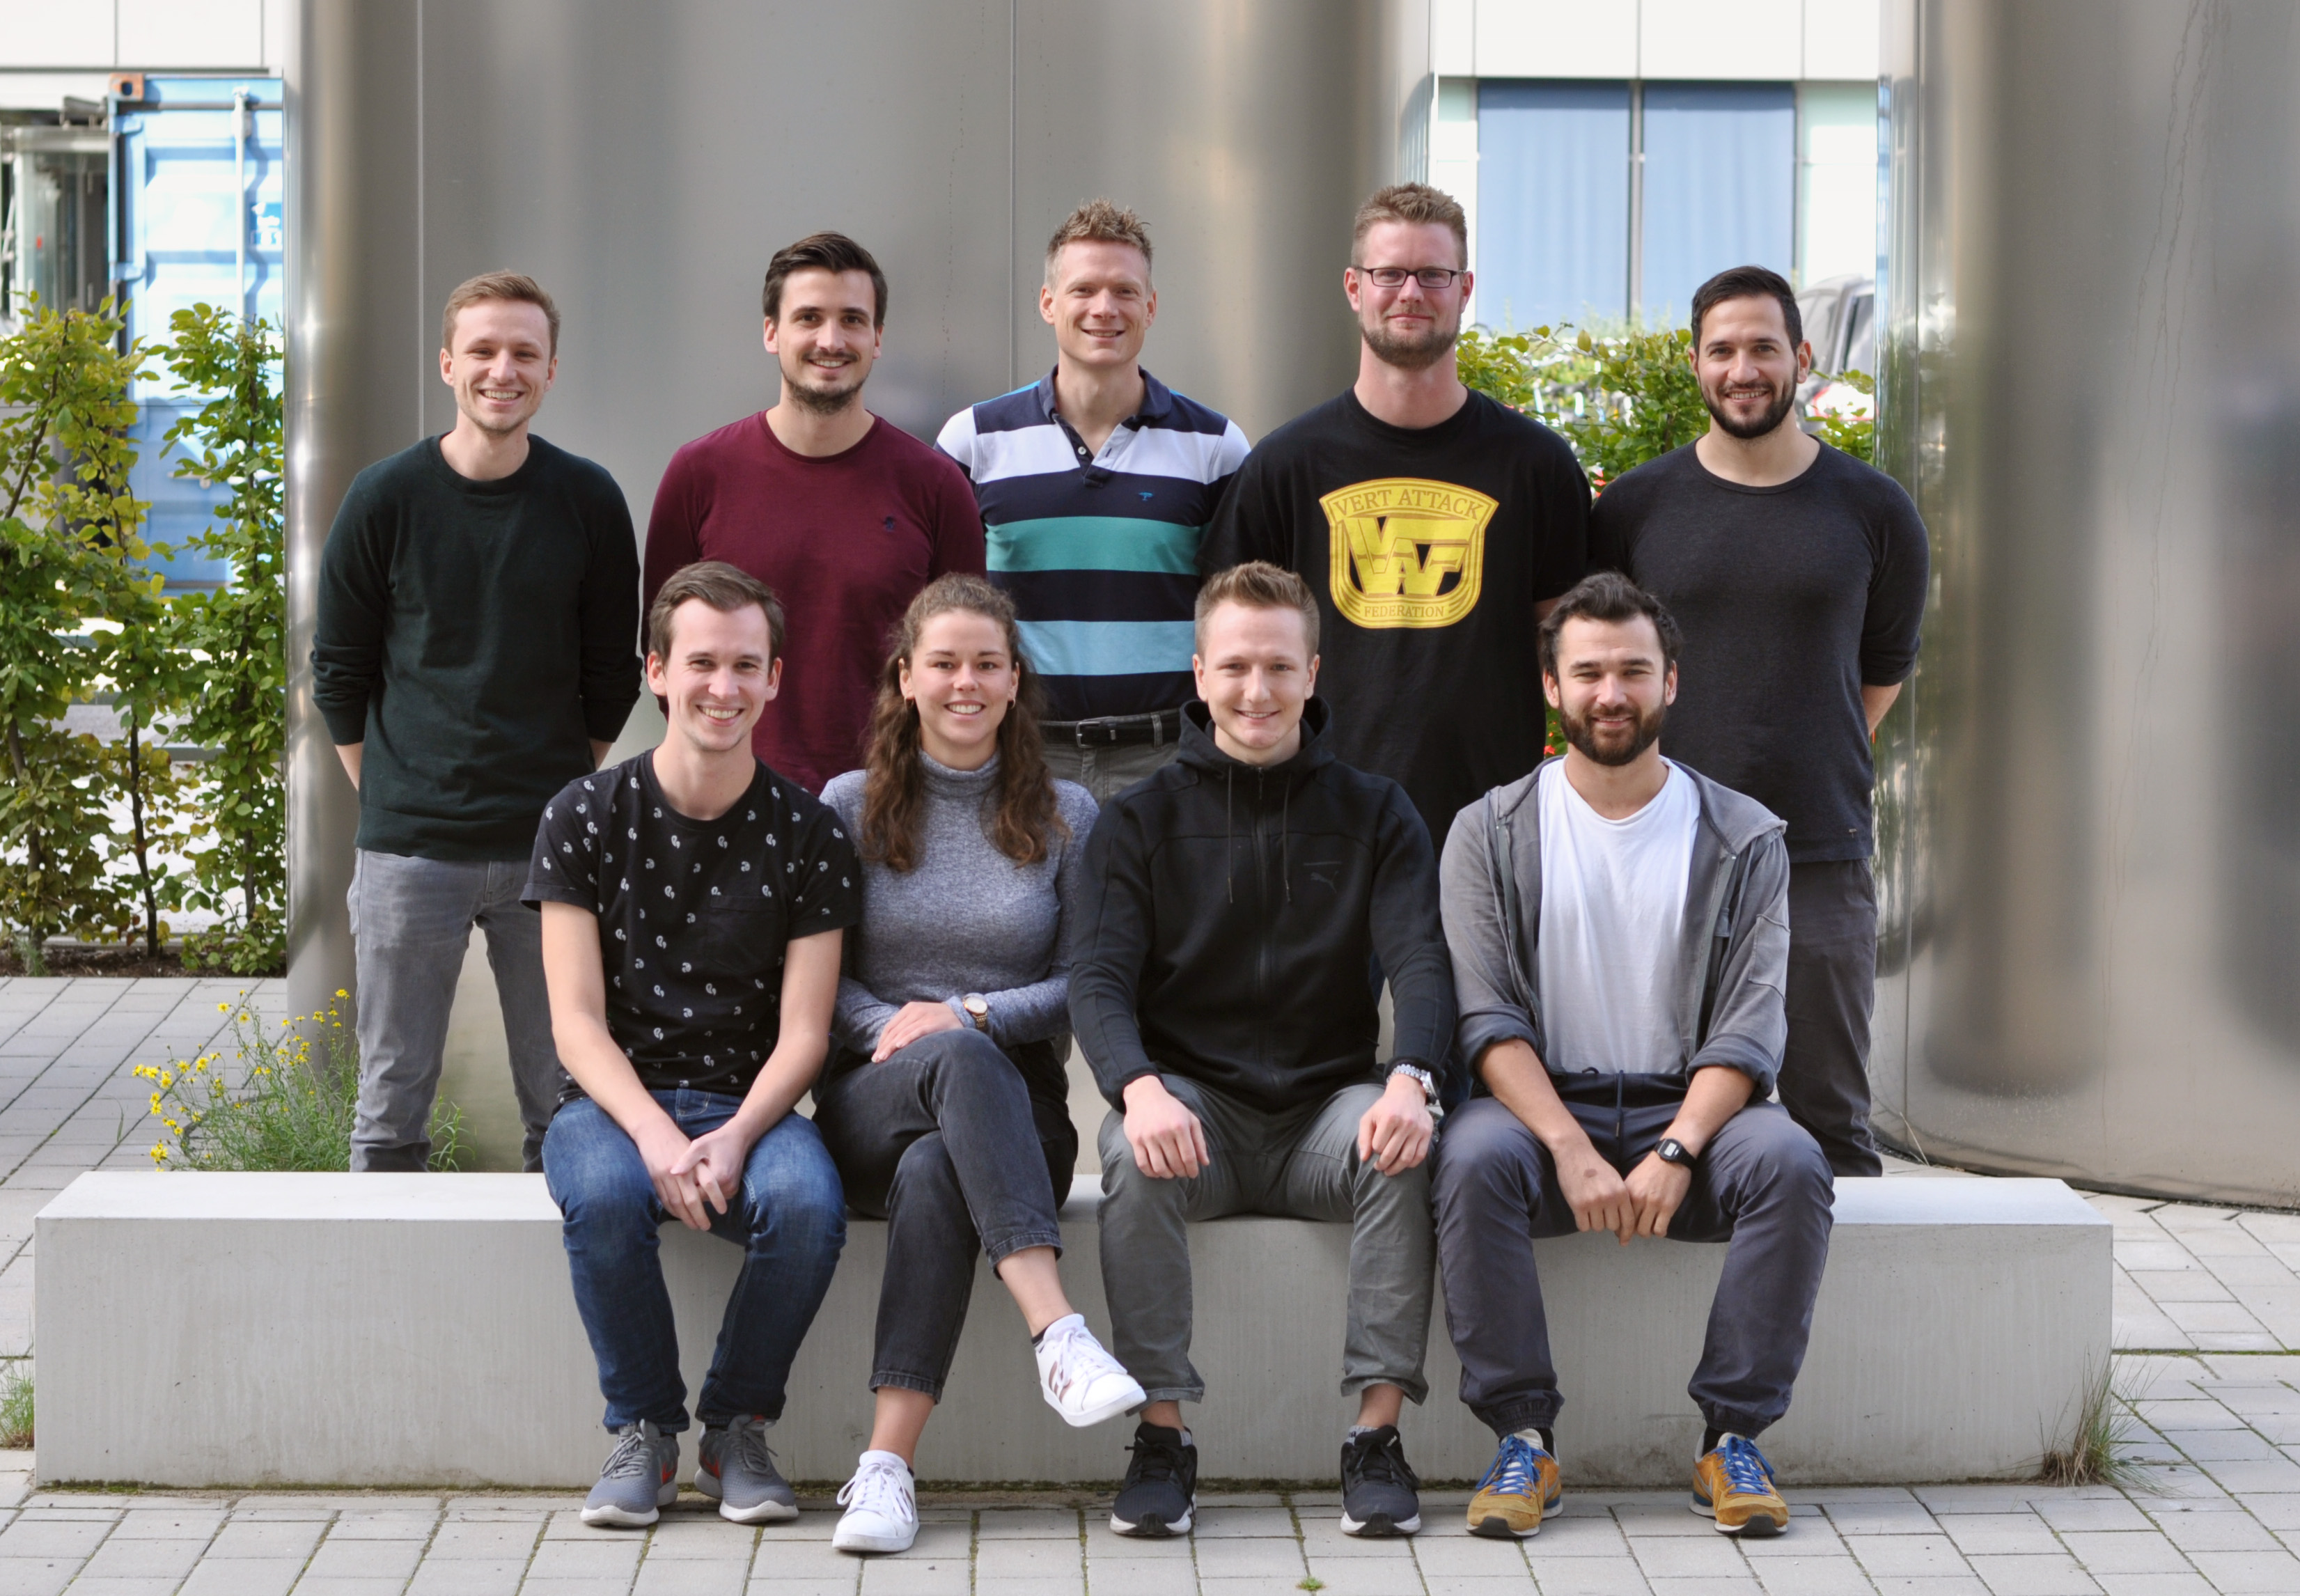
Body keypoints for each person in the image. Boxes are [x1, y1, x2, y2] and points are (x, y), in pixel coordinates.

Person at [1431, 572, 1833, 1541]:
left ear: (1670, 683)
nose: (1610, 693)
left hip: (1691, 1109)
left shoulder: (1743, 836)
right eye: (1587, 673)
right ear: (1551, 687)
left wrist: (1678, 1149)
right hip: (1540, 1112)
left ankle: (1730, 1439)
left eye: (1632, 671)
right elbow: (1487, 1021)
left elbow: (1749, 1025)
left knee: (1789, 1162)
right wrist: (1569, 1147)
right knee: (1470, 1158)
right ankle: (1522, 1440)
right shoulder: (1487, 832)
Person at [1070, 561, 1455, 1540]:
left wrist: (1411, 1080)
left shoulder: (1376, 811)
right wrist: (1137, 1088)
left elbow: (1421, 962)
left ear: (1312, 673)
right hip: (1193, 1113)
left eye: (1279, 667)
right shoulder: (1136, 821)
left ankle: (1375, 1439)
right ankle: (1161, 1439)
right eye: (1235, 666)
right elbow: (1098, 981)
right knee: (1127, 1155)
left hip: (1325, 1113)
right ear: (1198, 672)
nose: (1256, 690)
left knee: (1401, 1145)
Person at [815, 574, 1143, 1554]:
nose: (966, 682)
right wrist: (905, 1029)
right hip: (870, 1093)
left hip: (1019, 1118)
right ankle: (1058, 1333)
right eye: (945, 663)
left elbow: (1084, 981)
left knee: (937, 1168)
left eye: (987, 664)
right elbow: (821, 981)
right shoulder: (847, 806)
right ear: (906, 677)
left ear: (1013, 681)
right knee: (943, 1075)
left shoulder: (1067, 812)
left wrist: (966, 1013)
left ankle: (885, 1469)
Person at [526, 561, 856, 1528]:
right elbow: (575, 1023)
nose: (724, 686)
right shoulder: (582, 815)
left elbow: (806, 1032)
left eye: (746, 665)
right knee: (602, 1195)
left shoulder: (810, 832)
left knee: (808, 1206)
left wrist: (738, 1134)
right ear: (657, 672)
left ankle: (735, 1431)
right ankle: (643, 1432)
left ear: (775, 679)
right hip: (610, 1104)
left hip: (749, 1104)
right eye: (702, 662)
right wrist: (656, 1137)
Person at [1587, 264, 1929, 1177]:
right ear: (1695, 363)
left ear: (1801, 358)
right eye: (1722, 350)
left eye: (1763, 348)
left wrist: (1801, 750)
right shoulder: (1633, 509)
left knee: (1831, 1124)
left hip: (1816, 849)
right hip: (1663, 848)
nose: (1742, 370)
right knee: (1662, 1112)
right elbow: (1604, 667)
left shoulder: (1874, 509)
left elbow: (1880, 672)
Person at [313, 271, 639, 1174]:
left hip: (550, 854)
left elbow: (611, 673)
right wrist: (393, 793)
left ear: (551, 370)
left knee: (566, 1100)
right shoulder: (384, 498)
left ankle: (553, 1264)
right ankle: (382, 1264)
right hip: (409, 850)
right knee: (390, 1108)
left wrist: (559, 792)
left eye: (524, 353)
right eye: (484, 350)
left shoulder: (588, 500)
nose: (504, 369)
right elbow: (338, 672)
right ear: (448, 363)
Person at [1201, 183, 1588, 846]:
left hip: (1491, 828)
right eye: (1389, 274)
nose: (1410, 293)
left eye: (1433, 274)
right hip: (1314, 827)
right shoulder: (1284, 467)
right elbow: (1229, 655)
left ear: (1465, 290)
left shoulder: (1537, 466)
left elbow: (1574, 652)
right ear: (1355, 287)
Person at [645, 232, 985, 794]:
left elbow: (965, 660)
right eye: (809, 318)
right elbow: (663, 652)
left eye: (852, 320)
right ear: (771, 332)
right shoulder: (698, 475)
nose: (831, 340)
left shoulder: (935, 486)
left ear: (877, 338)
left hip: (889, 805)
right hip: (734, 803)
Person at [936, 200, 1250, 802]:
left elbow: (1238, 613)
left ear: (1150, 307)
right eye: (1083, 289)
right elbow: (940, 607)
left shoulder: (1215, 447)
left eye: (1124, 291)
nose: (1104, 308)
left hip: (1167, 759)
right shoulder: (973, 441)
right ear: (1048, 303)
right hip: (1020, 757)